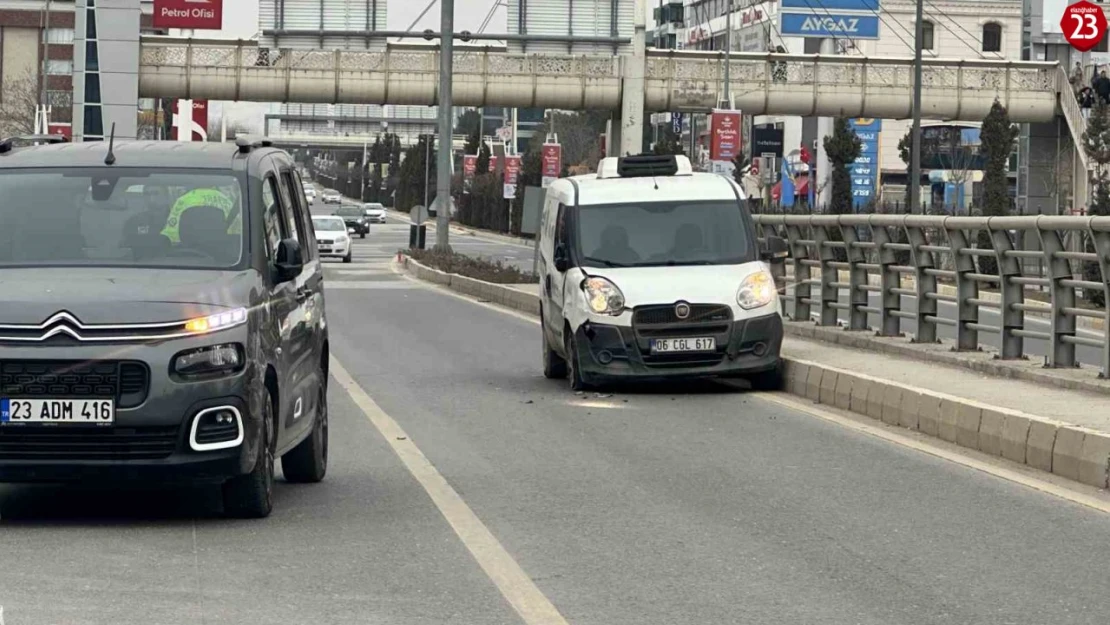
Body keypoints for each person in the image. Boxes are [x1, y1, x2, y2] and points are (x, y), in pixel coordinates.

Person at [160, 186, 240, 244]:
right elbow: (236, 232)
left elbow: (172, 235)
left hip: (191, 253)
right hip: (222, 254)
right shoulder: (226, 201)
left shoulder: (185, 200)